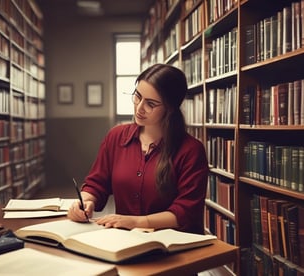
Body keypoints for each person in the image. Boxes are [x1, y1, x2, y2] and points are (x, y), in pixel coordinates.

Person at [67, 63, 209, 234]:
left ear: (170, 108)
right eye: (137, 96)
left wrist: (136, 222)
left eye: (151, 104)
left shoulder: (191, 150)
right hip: (126, 240)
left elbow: (185, 211)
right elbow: (97, 184)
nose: (139, 108)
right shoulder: (116, 137)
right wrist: (85, 201)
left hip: (173, 246)